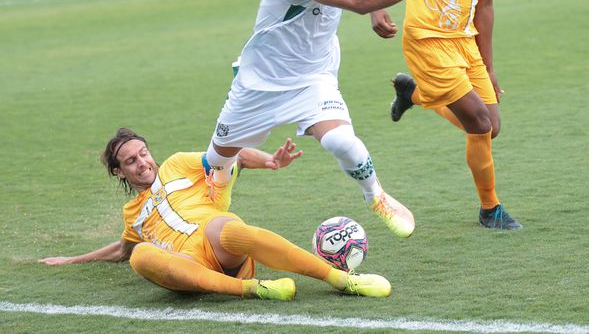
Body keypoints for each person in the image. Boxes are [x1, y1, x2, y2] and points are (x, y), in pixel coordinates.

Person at [206, 0, 470, 239]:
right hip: (260, 83)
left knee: (342, 141)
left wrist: (378, 13)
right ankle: (216, 195)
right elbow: (359, 1)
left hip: (314, 79)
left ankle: (376, 195)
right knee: (217, 162)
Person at [40, 128, 392, 300]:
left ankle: (342, 280)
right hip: (186, 265)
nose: (143, 162)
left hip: (216, 241)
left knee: (227, 226)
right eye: (131, 161)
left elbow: (228, 157)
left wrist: (269, 161)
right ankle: (254, 290)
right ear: (120, 172)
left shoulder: (178, 164)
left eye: (143, 153)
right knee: (142, 255)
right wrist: (73, 260)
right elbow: (122, 250)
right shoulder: (131, 214)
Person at [362, 0, 522, 231]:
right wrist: (375, 9)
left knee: (490, 127)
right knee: (479, 123)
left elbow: (485, 6)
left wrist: (489, 65)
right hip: (426, 39)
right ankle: (490, 210)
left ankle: (414, 95)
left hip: (465, 42)